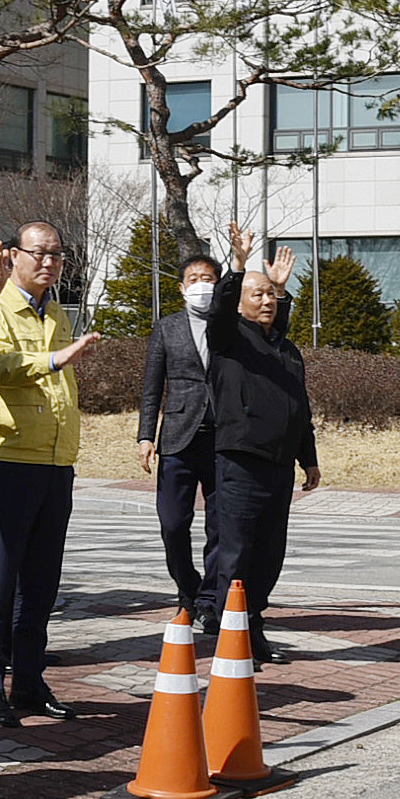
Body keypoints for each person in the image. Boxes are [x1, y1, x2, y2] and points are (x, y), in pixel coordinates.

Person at [0, 220, 94, 727]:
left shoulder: (55, 310)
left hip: (55, 460)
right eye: (39, 253)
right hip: (7, 458)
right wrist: (57, 358)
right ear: (12, 254)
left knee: (41, 583)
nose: (49, 262)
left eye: (57, 254)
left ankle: (30, 681)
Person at [205, 240, 322, 669]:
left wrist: (308, 458)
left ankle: (253, 629)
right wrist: (236, 268)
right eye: (258, 294)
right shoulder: (229, 340)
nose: (268, 300)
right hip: (241, 462)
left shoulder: (287, 351)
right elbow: (218, 316)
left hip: (279, 466)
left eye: (271, 295)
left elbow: (300, 407)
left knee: (269, 556)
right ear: (239, 303)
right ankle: (230, 639)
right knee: (236, 555)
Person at [132, 247, 222, 623]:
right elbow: (152, 387)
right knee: (172, 523)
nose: (201, 286)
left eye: (208, 280)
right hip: (178, 437)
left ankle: (211, 602)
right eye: (194, 280)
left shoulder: (230, 325)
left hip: (223, 437)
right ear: (182, 288)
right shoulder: (167, 327)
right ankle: (189, 588)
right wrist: (145, 435)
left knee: (221, 526)